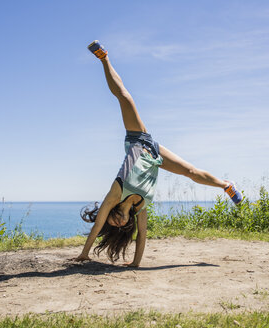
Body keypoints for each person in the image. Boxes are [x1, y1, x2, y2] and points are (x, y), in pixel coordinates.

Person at [73, 40, 242, 267]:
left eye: (112, 221)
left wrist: (85, 253)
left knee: (124, 97)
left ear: (111, 213)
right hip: (154, 153)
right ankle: (226, 185)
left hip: (137, 140)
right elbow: (142, 235)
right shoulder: (139, 208)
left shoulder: (114, 195)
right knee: (190, 171)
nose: (118, 222)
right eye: (120, 226)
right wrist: (135, 264)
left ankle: (104, 58)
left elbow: (96, 227)